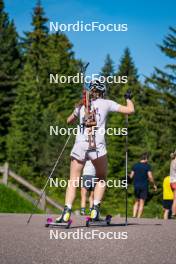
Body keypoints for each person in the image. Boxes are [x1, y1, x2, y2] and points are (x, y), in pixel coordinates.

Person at [56, 79, 135, 223]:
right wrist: (128, 99)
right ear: (102, 92)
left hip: (80, 145)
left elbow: (68, 121)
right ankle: (95, 211)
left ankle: (66, 212)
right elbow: (130, 110)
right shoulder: (107, 103)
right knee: (101, 178)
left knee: (73, 180)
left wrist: (77, 111)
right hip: (97, 146)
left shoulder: (81, 105)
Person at [129, 152, 157, 218]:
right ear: (146, 159)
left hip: (136, 186)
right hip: (144, 186)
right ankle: (138, 217)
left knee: (136, 201)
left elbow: (131, 176)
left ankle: (133, 216)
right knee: (142, 202)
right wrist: (153, 185)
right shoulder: (147, 166)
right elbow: (150, 177)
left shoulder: (135, 165)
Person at [170, 150, 176, 218]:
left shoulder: (172, 160)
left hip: (171, 181)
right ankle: (174, 212)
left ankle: (173, 212)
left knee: (174, 198)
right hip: (175, 181)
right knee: (175, 198)